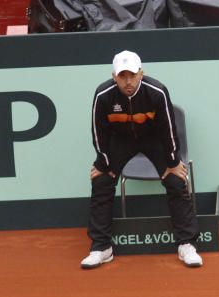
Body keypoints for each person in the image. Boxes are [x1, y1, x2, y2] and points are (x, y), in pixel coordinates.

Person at [81, 50, 202, 269]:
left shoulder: (157, 92)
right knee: (102, 182)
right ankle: (101, 247)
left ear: (141, 73)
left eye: (132, 75)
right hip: (121, 141)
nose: (128, 82)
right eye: (122, 76)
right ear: (113, 76)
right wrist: (104, 164)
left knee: (176, 181)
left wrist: (173, 163)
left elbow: (169, 131)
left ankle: (186, 244)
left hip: (153, 139)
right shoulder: (103, 95)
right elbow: (99, 134)